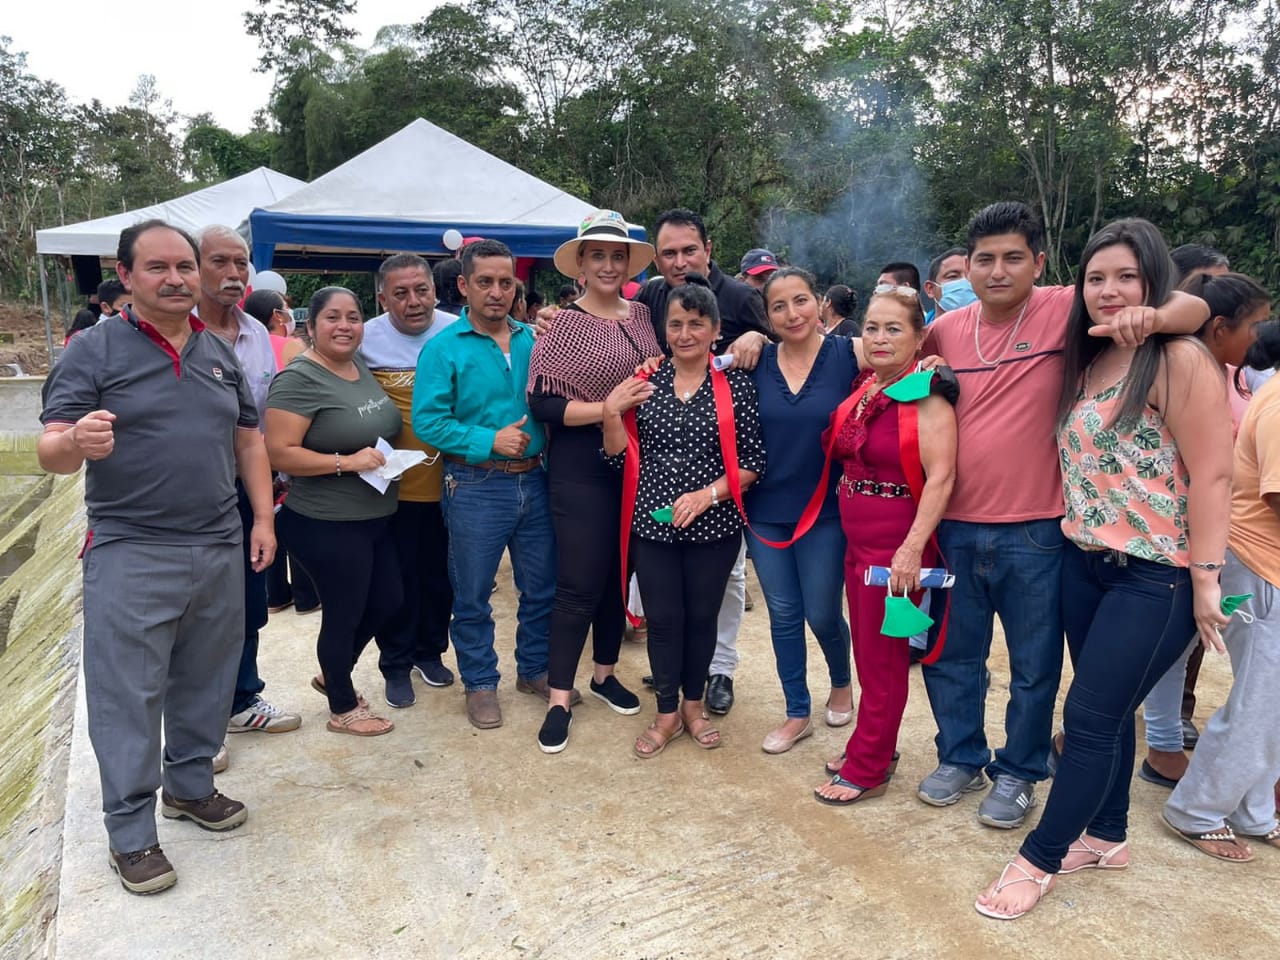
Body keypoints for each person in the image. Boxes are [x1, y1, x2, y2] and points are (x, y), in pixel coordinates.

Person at [917, 201, 1208, 829]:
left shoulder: (1065, 309)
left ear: (1040, 263)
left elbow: (1195, 308)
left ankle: (1020, 770)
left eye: (1013, 258)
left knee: (1035, 665)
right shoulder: (945, 330)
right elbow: (877, 351)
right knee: (952, 655)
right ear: (967, 266)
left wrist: (1154, 315)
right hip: (955, 526)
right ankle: (959, 755)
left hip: (1040, 531)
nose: (998, 271)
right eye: (984, 260)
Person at [975, 218, 1227, 921]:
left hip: (1155, 575)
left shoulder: (1178, 358)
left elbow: (1212, 475)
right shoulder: (1088, 358)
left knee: (1085, 719)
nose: (1109, 291)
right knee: (1108, 716)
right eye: (1096, 278)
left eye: (1127, 277)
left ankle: (1039, 859)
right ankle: (1107, 836)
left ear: (1153, 281)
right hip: (1083, 564)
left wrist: (1207, 578)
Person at [38, 219, 275, 895]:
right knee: (129, 695)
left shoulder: (217, 352)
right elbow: (51, 449)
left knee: (207, 676)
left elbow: (248, 440)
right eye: (157, 267)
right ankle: (130, 833)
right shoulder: (93, 350)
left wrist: (262, 518)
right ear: (126, 274)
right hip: (131, 548)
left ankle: (190, 787)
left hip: (218, 541)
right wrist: (75, 441)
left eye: (185, 267)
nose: (175, 279)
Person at [603, 273, 765, 756]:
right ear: (664, 329)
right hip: (652, 525)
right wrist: (611, 413)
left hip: (714, 525)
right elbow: (616, 457)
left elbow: (752, 462)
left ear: (715, 330)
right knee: (664, 619)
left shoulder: (736, 386)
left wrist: (706, 496)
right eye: (675, 324)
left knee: (701, 617)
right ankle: (666, 713)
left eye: (696, 324)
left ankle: (694, 706)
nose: (685, 334)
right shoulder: (644, 383)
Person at [814, 284, 958, 801]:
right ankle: (873, 744)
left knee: (884, 659)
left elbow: (941, 478)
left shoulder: (926, 395)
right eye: (872, 327)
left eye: (894, 329)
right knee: (870, 654)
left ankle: (869, 766)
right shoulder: (868, 387)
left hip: (895, 546)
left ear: (919, 337)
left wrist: (911, 549)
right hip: (859, 541)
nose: (879, 337)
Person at [527, 209, 661, 753]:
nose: (608, 265)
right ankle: (560, 698)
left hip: (636, 462)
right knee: (579, 581)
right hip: (580, 464)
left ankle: (605, 673)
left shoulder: (644, 315)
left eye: (617, 256)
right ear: (580, 264)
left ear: (628, 263)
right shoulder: (562, 325)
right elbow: (543, 404)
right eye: (597, 255)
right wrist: (608, 408)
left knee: (617, 574)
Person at [633, 208, 776, 715]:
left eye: (688, 250)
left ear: (708, 249)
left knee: (726, 585)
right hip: (663, 476)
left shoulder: (739, 297)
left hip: (724, 468)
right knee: (668, 607)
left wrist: (761, 336)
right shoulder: (650, 296)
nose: (679, 261)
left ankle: (719, 669)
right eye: (668, 252)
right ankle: (676, 673)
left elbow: (784, 345)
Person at [1133, 271, 1272, 788]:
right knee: (1166, 649)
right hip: (1185, 540)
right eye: (1256, 324)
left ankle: (1163, 745)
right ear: (1219, 328)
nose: (1262, 334)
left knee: (1177, 649)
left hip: (1216, 538)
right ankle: (1150, 745)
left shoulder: (1232, 376)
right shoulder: (1185, 372)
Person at [412, 239, 556, 731]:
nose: (496, 292)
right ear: (463, 285)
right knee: (473, 593)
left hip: (536, 479)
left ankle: (534, 669)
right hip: (475, 484)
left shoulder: (532, 340)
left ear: (516, 285)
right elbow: (428, 421)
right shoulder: (442, 349)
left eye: (505, 282)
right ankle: (480, 683)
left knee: (540, 587)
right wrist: (487, 439)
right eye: (485, 282)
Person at [1162, 318, 1280, 862]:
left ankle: (1253, 812)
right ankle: (1197, 809)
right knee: (1260, 698)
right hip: (1257, 567)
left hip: (1264, 567)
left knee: (1270, 700)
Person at [265, 286, 405, 737]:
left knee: (388, 600)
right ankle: (343, 706)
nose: (345, 326)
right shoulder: (298, 379)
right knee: (344, 613)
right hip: (324, 521)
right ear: (310, 326)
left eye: (353, 317)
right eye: (332, 317)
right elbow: (279, 452)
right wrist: (346, 462)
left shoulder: (356, 365)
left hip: (374, 514)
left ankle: (334, 672)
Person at [193, 226, 302, 753]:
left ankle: (241, 700)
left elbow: (258, 423)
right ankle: (198, 725)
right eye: (220, 262)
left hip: (244, 489)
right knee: (196, 610)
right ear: (194, 266)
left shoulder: (257, 334)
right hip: (186, 494)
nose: (234, 273)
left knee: (247, 601)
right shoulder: (174, 331)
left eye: (241, 263)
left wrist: (265, 503)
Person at [748, 267, 859, 754]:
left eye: (800, 301)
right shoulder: (754, 360)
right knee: (783, 613)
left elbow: (905, 347)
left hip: (826, 511)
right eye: (778, 306)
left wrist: (932, 356)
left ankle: (841, 681)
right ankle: (797, 712)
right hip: (765, 509)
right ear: (767, 316)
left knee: (822, 611)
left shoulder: (850, 353)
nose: (792, 314)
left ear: (819, 303)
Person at [360, 254, 459, 706]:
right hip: (391, 487)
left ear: (435, 291)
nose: (413, 301)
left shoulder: (457, 331)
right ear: (382, 299)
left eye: (421, 290)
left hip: (454, 482)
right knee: (396, 580)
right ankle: (395, 663)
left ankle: (430, 652)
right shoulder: (365, 338)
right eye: (400, 293)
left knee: (441, 576)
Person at [242, 288, 318, 621]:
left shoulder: (244, 346)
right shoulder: (291, 347)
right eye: (286, 309)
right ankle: (306, 595)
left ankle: (274, 594)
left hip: (249, 448)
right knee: (294, 513)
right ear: (277, 315)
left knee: (264, 516)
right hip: (286, 444)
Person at [244, 288, 305, 369]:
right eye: (287, 308)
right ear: (278, 315)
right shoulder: (295, 346)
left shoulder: (241, 345)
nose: (290, 312)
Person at [923, 247, 967, 323]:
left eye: (971, 276)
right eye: (953, 276)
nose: (966, 282)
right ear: (930, 289)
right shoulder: (916, 330)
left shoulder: (989, 330)